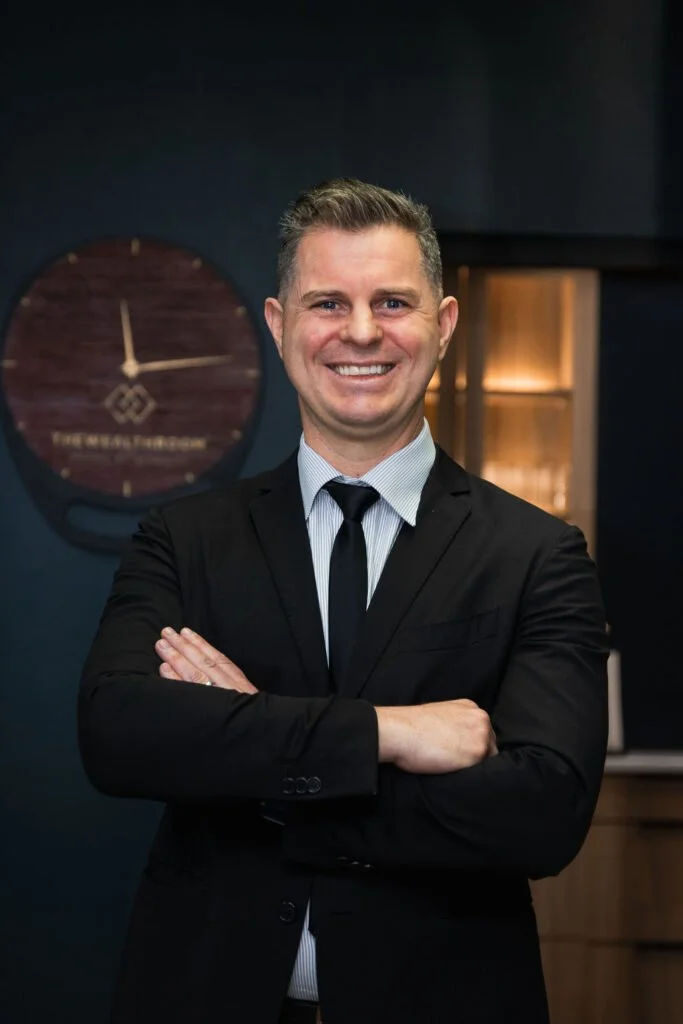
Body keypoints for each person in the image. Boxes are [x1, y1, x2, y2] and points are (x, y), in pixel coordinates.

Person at [78, 178, 608, 1024]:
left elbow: (539, 815)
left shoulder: (536, 556)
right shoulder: (184, 539)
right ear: (280, 325)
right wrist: (385, 734)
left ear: (441, 325)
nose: (360, 331)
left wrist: (256, 750)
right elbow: (118, 736)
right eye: (328, 302)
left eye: (391, 302)